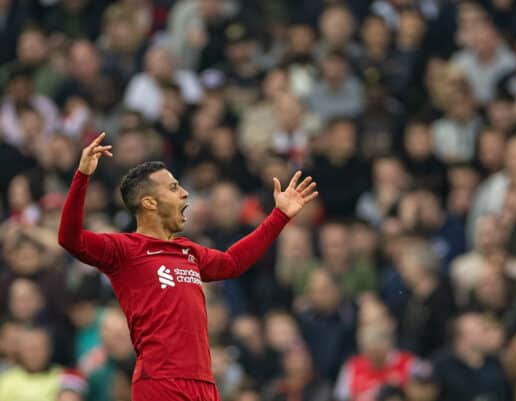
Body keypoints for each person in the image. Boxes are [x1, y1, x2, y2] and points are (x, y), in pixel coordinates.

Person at [57, 132, 319, 401]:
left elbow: (232, 263)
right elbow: (70, 238)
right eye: (173, 188)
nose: (184, 194)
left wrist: (279, 216)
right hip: (161, 381)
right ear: (149, 202)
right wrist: (82, 176)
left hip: (204, 383)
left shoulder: (188, 251)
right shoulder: (125, 250)